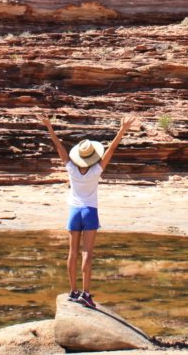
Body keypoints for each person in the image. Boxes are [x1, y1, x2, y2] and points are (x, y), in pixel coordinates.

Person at [40, 113, 137, 309]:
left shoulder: (71, 169)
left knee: (72, 252)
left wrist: (49, 127)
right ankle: (86, 294)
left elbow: (59, 147)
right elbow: (111, 149)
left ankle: (73, 292)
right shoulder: (96, 171)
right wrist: (122, 130)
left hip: (74, 211)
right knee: (87, 253)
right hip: (90, 211)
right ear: (92, 156)